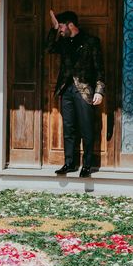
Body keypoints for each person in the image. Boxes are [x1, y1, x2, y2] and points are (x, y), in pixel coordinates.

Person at [46, 10, 105, 178]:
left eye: (62, 26)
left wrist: (100, 91)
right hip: (66, 90)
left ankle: (86, 165)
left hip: (85, 91)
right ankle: (69, 163)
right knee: (69, 129)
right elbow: (49, 48)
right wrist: (54, 28)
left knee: (87, 128)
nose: (60, 30)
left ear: (71, 24)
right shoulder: (63, 42)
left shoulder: (92, 42)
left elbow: (100, 69)